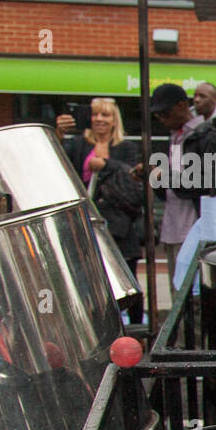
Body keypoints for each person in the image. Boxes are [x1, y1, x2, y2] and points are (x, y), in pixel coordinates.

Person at [59, 97, 144, 323]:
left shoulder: (125, 147)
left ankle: (137, 332)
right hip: (85, 222)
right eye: (95, 114)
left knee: (128, 278)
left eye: (105, 115)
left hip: (119, 225)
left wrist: (106, 165)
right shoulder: (78, 145)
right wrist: (58, 133)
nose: (99, 119)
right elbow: (62, 166)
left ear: (114, 120)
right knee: (88, 280)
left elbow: (132, 176)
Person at [145, 83, 216, 288]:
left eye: (165, 113)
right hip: (173, 227)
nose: (162, 119)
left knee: (192, 296)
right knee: (178, 292)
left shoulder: (207, 136)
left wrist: (167, 177)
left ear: (182, 105)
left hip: (194, 229)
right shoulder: (176, 137)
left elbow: (213, 183)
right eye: (158, 116)